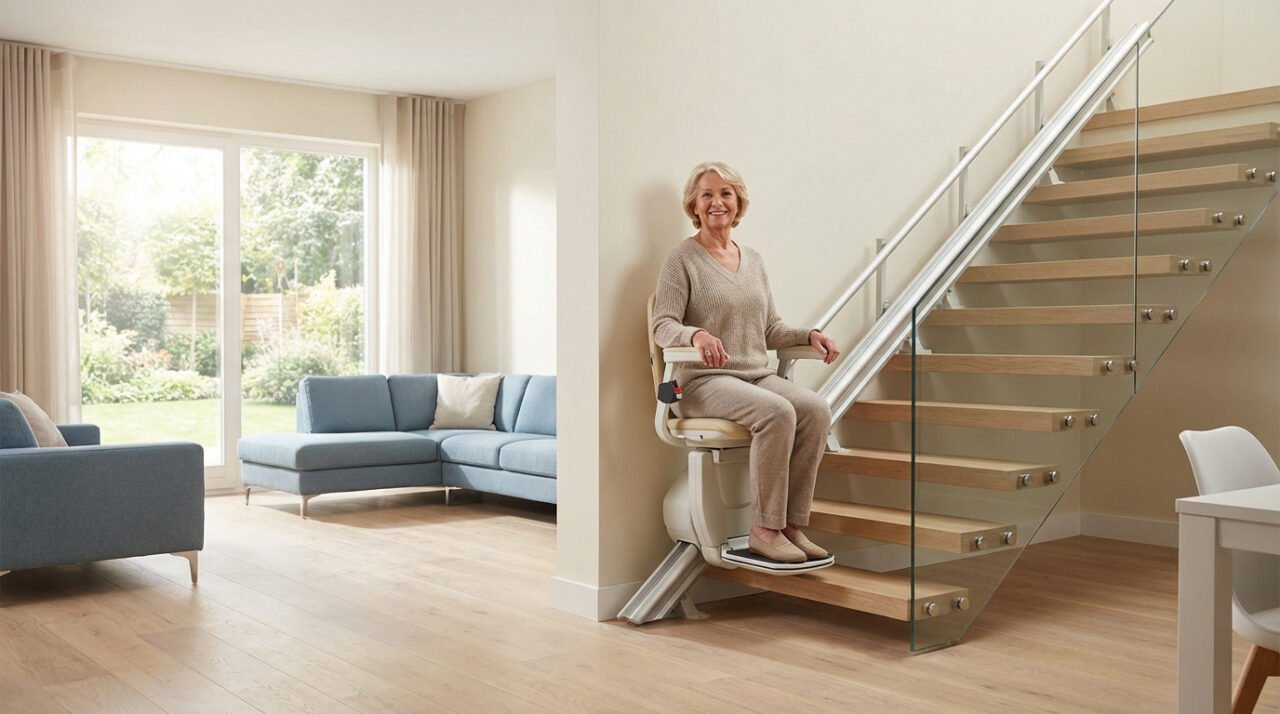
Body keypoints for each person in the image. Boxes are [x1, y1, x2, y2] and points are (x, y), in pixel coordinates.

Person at [651, 161, 839, 564]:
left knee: (815, 409)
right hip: (700, 383)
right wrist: (695, 335)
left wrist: (808, 336)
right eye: (707, 194)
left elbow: (771, 329)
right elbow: (662, 324)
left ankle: (790, 526)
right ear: (694, 206)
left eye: (726, 194)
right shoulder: (681, 258)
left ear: (738, 204)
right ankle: (764, 531)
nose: (717, 202)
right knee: (777, 412)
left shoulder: (752, 259)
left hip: (753, 375)